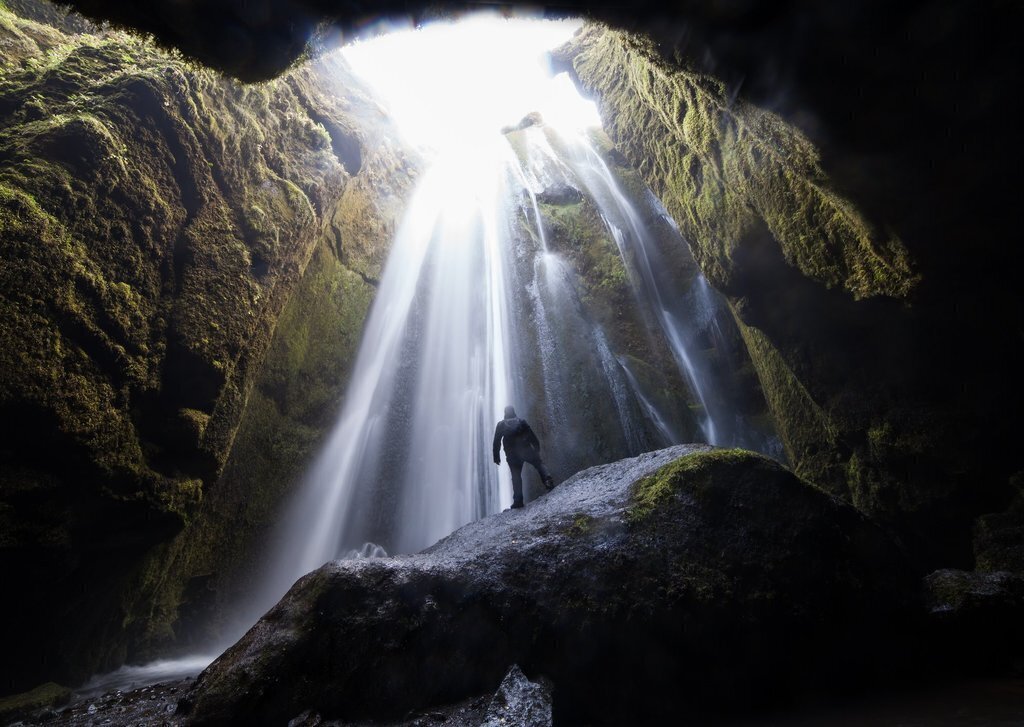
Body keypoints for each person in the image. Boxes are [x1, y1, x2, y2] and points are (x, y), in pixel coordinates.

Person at [493, 405, 554, 509]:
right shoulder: (521, 421)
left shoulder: (501, 425)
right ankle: (547, 480)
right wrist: (536, 447)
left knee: (516, 477)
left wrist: (496, 456)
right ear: (514, 412)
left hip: (512, 454)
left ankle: (518, 501)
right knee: (539, 464)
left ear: (505, 413)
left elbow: (496, 442)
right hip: (526, 450)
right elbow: (531, 435)